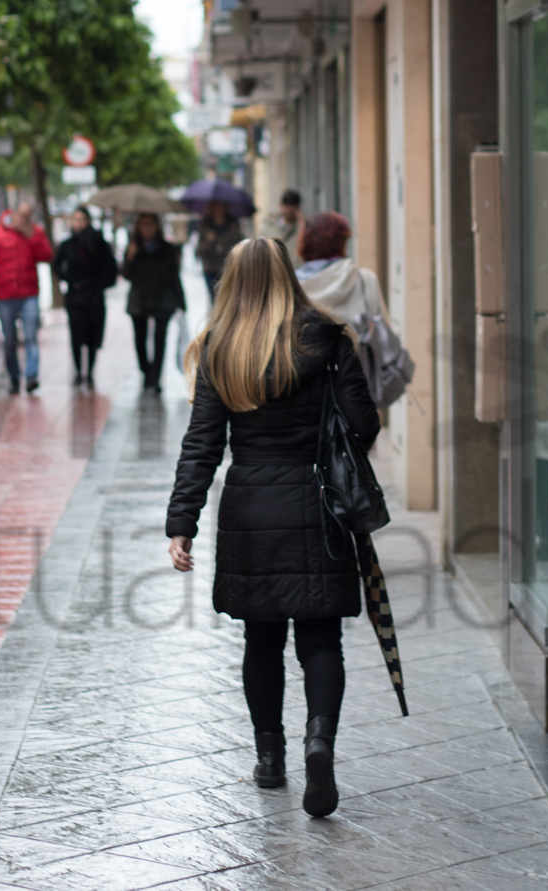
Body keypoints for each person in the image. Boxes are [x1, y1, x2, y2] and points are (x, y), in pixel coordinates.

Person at [166, 237, 379, 819]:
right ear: (289, 276)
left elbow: (202, 446)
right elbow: (364, 425)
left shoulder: (218, 347)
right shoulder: (329, 339)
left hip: (251, 505)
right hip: (316, 502)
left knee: (260, 638)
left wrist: (181, 522)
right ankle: (319, 742)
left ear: (230, 283)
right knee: (320, 640)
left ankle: (269, 758)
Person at [0, 201, 53, 394]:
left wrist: (32, 236)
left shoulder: (34, 232)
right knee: (9, 340)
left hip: (30, 294)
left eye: (29, 217)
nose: (25, 220)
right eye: (22, 215)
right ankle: (13, 377)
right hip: (6, 295)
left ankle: (31, 376)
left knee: (31, 337)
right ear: (14, 213)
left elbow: (46, 256)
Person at [54, 206, 117, 388]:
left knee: (92, 335)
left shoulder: (99, 242)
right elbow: (56, 266)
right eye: (76, 219)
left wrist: (100, 284)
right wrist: (70, 280)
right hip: (75, 296)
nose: (79, 223)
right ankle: (77, 372)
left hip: (94, 295)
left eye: (82, 219)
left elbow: (109, 267)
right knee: (76, 335)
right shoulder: (66, 244)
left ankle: (88, 372)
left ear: (88, 221)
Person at [122, 213, 185, 394]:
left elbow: (174, 276)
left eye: (151, 224)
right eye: (144, 225)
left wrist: (181, 301)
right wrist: (130, 257)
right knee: (140, 341)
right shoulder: (134, 247)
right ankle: (146, 370)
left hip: (162, 300)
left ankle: (155, 379)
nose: (147, 228)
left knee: (160, 341)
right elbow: (126, 275)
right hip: (139, 301)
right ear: (138, 227)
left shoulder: (167, 249)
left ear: (157, 226)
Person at [295, 211, 388, 323]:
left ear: (304, 242)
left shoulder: (292, 286)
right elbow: (382, 331)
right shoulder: (365, 279)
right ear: (342, 240)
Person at [196, 200, 243, 303]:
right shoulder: (205, 226)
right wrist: (208, 241)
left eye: (221, 207)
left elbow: (241, 245)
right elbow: (198, 251)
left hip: (229, 268)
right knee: (215, 301)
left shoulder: (232, 225)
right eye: (215, 207)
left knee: (229, 300)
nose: (218, 210)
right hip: (211, 269)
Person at [260, 189, 304, 262]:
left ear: (298, 208)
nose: (289, 209)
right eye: (287, 204)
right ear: (281, 206)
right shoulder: (269, 225)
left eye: (293, 205)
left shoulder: (301, 228)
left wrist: (302, 224)